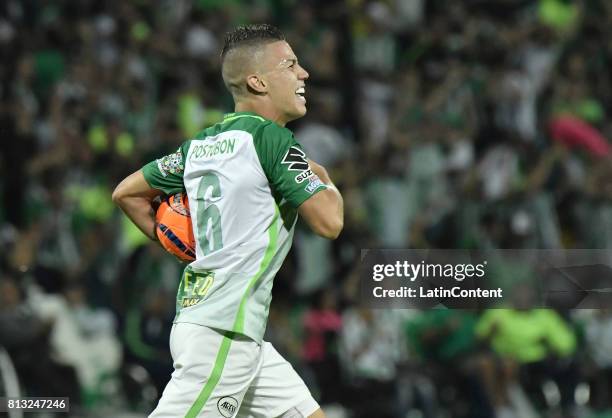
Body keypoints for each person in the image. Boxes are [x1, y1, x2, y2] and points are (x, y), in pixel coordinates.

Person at [112, 24, 343, 418]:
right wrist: (326, 181)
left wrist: (183, 246)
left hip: (229, 330)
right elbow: (329, 222)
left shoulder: (200, 145)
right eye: (290, 64)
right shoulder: (272, 140)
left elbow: (126, 193)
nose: (303, 73)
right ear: (257, 81)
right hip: (222, 335)